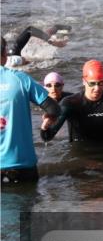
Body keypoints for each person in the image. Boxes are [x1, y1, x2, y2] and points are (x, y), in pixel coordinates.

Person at [1, 37, 62, 184]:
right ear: (4, 55)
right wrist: (48, 120)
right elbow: (54, 108)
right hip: (22, 166)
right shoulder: (21, 79)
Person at [40, 60, 103, 144]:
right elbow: (47, 137)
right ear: (84, 81)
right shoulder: (70, 103)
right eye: (92, 83)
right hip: (79, 156)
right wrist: (45, 127)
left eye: (101, 83)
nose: (97, 88)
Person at [3, 25, 70, 68]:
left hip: (14, 55)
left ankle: (57, 27)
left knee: (40, 40)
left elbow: (30, 30)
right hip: (16, 57)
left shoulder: (12, 59)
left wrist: (53, 42)